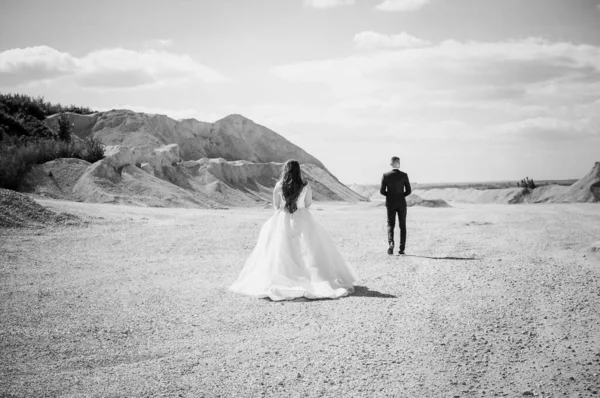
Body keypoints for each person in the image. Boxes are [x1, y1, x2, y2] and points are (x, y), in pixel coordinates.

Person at [229, 160, 358, 301]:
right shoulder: (305, 185)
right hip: (303, 218)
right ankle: (309, 278)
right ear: (298, 171)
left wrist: (287, 209)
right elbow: (308, 204)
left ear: (285, 171)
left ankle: (285, 278)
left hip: (282, 218)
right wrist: (299, 207)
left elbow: (276, 206)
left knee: (281, 249)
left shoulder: (279, 185)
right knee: (308, 249)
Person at [380, 156, 411, 255]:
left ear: (391, 164)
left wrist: (390, 196)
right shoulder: (404, 175)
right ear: (399, 163)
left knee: (390, 224)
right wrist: (401, 196)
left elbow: (382, 191)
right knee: (402, 226)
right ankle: (402, 249)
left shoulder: (385, 175)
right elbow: (409, 191)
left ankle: (391, 244)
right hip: (401, 203)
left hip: (390, 203)